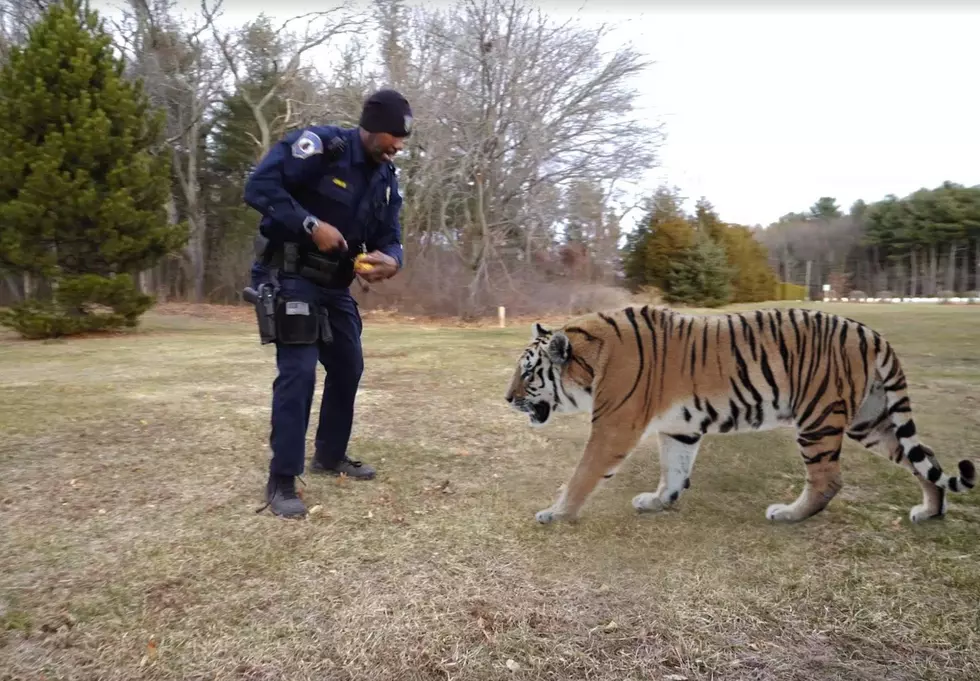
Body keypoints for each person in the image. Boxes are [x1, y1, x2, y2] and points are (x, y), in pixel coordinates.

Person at [242, 88, 411, 518]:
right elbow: (258, 186)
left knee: (348, 366)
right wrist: (309, 223)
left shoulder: (386, 179)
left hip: (335, 286)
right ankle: (281, 479)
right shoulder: (321, 147)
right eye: (393, 135)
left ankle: (330, 456)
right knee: (298, 373)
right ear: (371, 128)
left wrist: (391, 259)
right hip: (291, 273)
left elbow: (391, 235)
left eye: (403, 138)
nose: (398, 145)